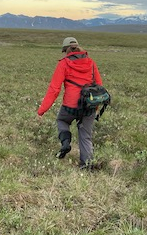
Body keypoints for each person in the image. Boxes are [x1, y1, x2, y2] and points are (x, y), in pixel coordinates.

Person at [37, 37, 104, 168]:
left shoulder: (64, 63)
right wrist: (96, 106)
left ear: (65, 50)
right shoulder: (91, 62)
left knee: (62, 121)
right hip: (89, 104)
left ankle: (66, 143)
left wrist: (42, 110)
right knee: (85, 135)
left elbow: (54, 89)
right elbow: (99, 85)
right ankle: (86, 164)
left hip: (70, 105)